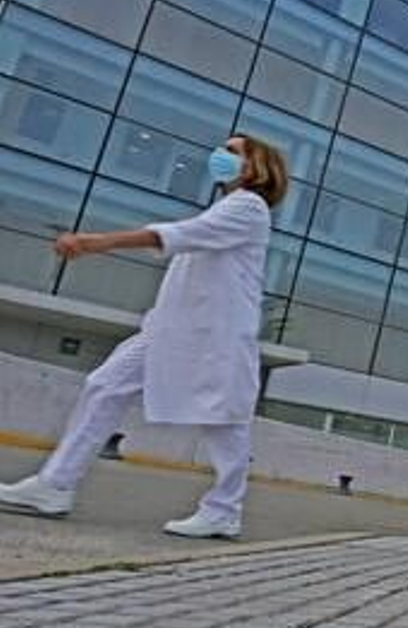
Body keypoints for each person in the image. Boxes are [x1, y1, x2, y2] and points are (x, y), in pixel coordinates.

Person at [0, 134, 289, 539]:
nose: (220, 156)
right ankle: (55, 486)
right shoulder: (226, 206)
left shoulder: (249, 207)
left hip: (217, 336)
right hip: (169, 330)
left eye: (233, 151)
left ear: (256, 166)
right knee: (103, 386)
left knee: (226, 421)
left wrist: (94, 242)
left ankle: (224, 509)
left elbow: (171, 235)